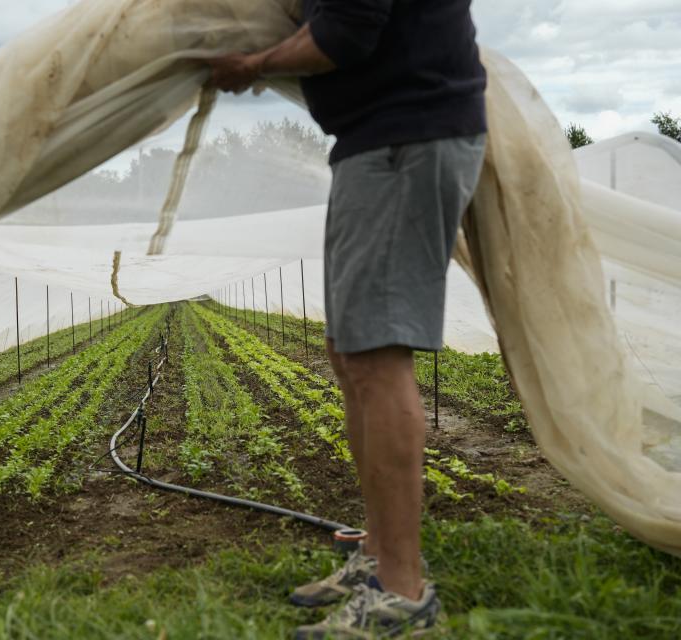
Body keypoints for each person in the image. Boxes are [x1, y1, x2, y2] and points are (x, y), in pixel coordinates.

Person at [206, 1, 487, 638]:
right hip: (376, 140)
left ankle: (402, 591)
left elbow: (349, 29)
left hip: (405, 135)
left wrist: (254, 64)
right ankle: (376, 557)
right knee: (348, 350)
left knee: (376, 358)